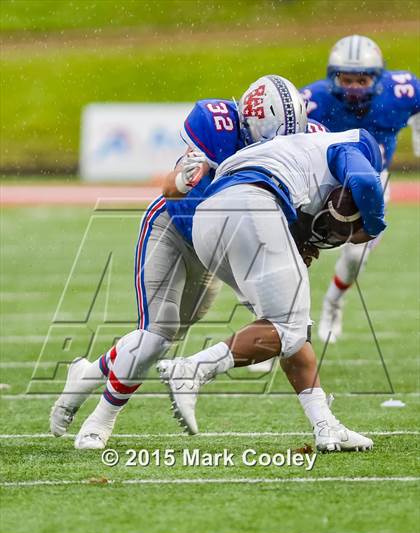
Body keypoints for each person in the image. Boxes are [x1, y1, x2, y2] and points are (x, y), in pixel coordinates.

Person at [50, 75, 309, 450]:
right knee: (156, 334)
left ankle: (87, 374)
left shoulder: (297, 143)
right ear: (249, 126)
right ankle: (101, 418)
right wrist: (187, 179)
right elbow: (169, 188)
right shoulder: (216, 125)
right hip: (172, 225)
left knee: (171, 336)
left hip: (217, 248)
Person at [158, 126, 386, 452]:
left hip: (208, 219)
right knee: (287, 327)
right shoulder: (356, 144)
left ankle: (326, 425)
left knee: (293, 330)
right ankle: (192, 369)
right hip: (251, 204)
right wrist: (375, 224)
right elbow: (365, 182)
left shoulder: (293, 155)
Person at [300, 35, 420, 343]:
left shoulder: (403, 90)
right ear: (333, 77)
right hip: (323, 177)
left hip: (372, 179)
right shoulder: (312, 100)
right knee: (296, 249)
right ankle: (285, 323)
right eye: (346, 78)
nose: (353, 87)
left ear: (377, 78)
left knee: (355, 256)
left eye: (361, 79)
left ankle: (333, 304)